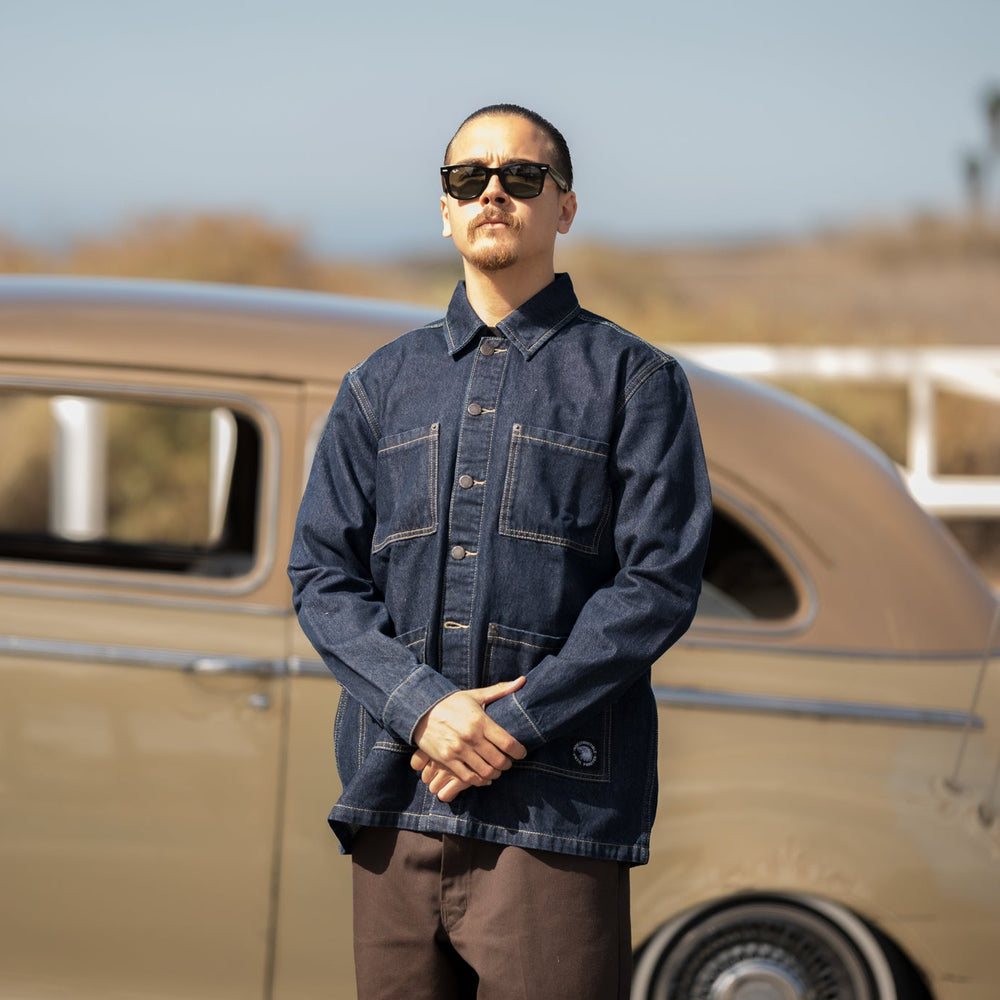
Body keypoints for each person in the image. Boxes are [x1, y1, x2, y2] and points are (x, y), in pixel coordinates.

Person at [288, 103, 712, 1000]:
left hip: (557, 817)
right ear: (444, 210)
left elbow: (657, 584)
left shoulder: (636, 382)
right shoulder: (378, 386)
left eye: (521, 176)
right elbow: (322, 577)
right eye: (467, 178)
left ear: (564, 207)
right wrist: (422, 708)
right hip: (394, 801)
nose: (492, 193)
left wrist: (512, 723)